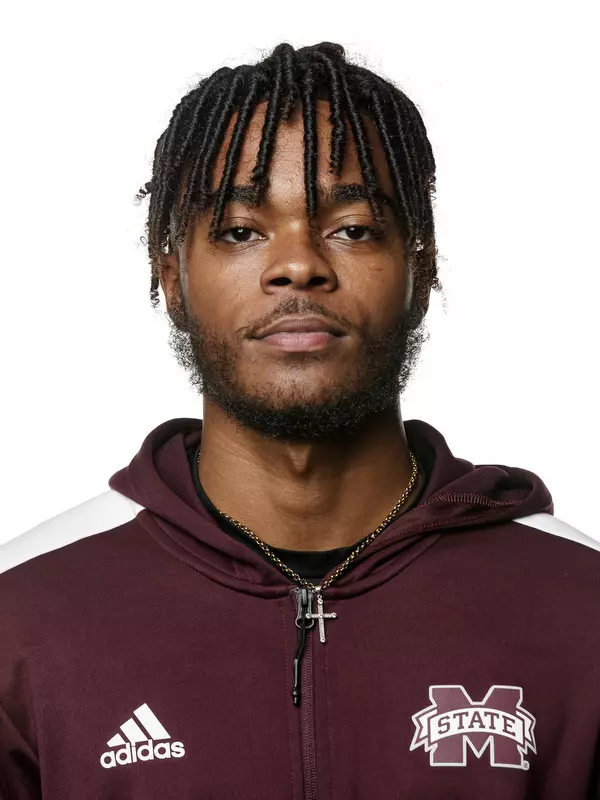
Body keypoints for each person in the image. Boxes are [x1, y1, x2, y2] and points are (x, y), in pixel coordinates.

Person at [0, 41, 598, 799]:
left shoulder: (582, 611)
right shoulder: (23, 621)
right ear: (170, 278)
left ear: (425, 267)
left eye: (352, 227)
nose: (298, 265)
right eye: (240, 230)